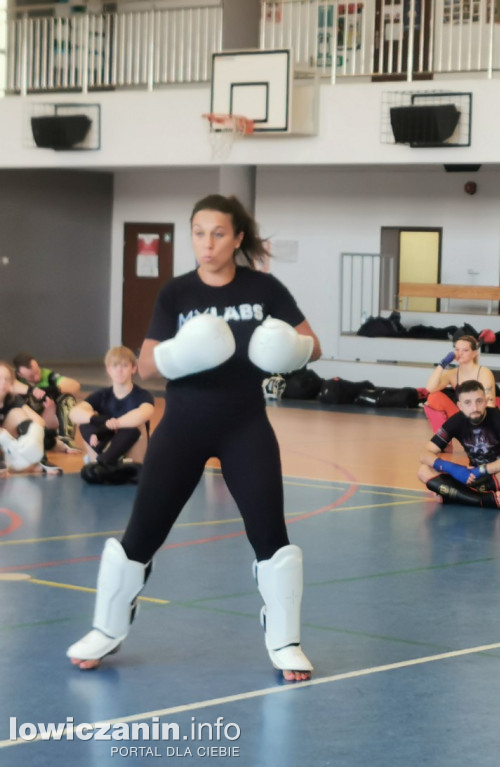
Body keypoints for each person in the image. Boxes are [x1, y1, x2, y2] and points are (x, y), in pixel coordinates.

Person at [66, 194, 322, 682]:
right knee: (142, 532)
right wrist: (185, 353)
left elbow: (313, 344)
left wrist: (287, 347)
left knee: (271, 535)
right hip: (182, 425)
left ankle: (285, 640)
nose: (207, 243)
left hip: (245, 425)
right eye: (199, 232)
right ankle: (106, 628)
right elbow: (144, 364)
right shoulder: (176, 293)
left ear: (237, 238)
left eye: (218, 233)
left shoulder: (265, 287)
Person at [417, 379, 500, 508]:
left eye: (479, 401)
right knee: (423, 471)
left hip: (497, 475)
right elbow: (424, 454)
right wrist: (452, 468)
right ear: (460, 406)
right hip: (473, 477)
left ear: (485, 400)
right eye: (468, 403)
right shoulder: (455, 421)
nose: (474, 408)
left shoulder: (499, 418)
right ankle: (482, 499)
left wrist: (483, 469)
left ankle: (458, 496)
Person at [68, 346, 155, 484]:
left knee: (137, 423)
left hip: (132, 453)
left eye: (124, 366)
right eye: (115, 366)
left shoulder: (142, 395)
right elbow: (74, 413)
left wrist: (116, 423)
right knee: (85, 420)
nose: (119, 370)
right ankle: (106, 462)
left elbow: (145, 413)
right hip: (106, 445)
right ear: (109, 370)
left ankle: (105, 463)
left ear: (133, 369)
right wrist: (97, 419)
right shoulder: (102, 395)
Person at [423, 335, 498, 434]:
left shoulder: (484, 372)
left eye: (465, 350)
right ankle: (443, 438)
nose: (460, 353)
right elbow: (430, 388)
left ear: (474, 353)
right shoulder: (452, 373)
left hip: (480, 416)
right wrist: (443, 364)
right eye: (457, 350)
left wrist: (484, 429)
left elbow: (490, 403)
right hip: (463, 417)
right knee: (433, 397)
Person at [0, 360, 62, 476]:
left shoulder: (13, 399)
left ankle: (41, 460)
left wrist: (33, 439)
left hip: (10, 446)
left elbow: (39, 421)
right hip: (4, 444)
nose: (3, 382)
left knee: (19, 414)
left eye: (7, 379)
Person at [13, 352, 81, 443]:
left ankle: (66, 439)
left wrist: (52, 390)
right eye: (31, 376)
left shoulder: (47, 375)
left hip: (48, 418)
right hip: (27, 420)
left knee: (67, 399)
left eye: (37, 371)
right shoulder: (15, 379)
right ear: (20, 375)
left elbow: (75, 385)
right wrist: (32, 390)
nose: (37, 377)